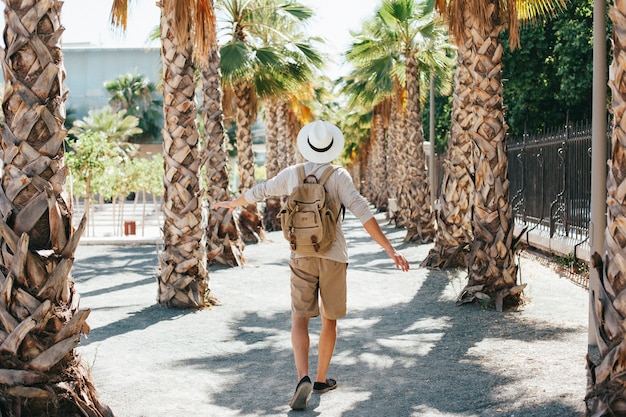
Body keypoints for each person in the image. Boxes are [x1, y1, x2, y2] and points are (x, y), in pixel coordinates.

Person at [213, 120, 410, 410]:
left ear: (307, 145)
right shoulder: (339, 176)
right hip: (333, 256)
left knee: (299, 319)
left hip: (300, 255)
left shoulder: (293, 174)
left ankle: (301, 376)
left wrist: (234, 203)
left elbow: (262, 190)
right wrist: (390, 249)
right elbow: (362, 211)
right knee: (329, 319)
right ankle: (320, 379)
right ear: (332, 147)